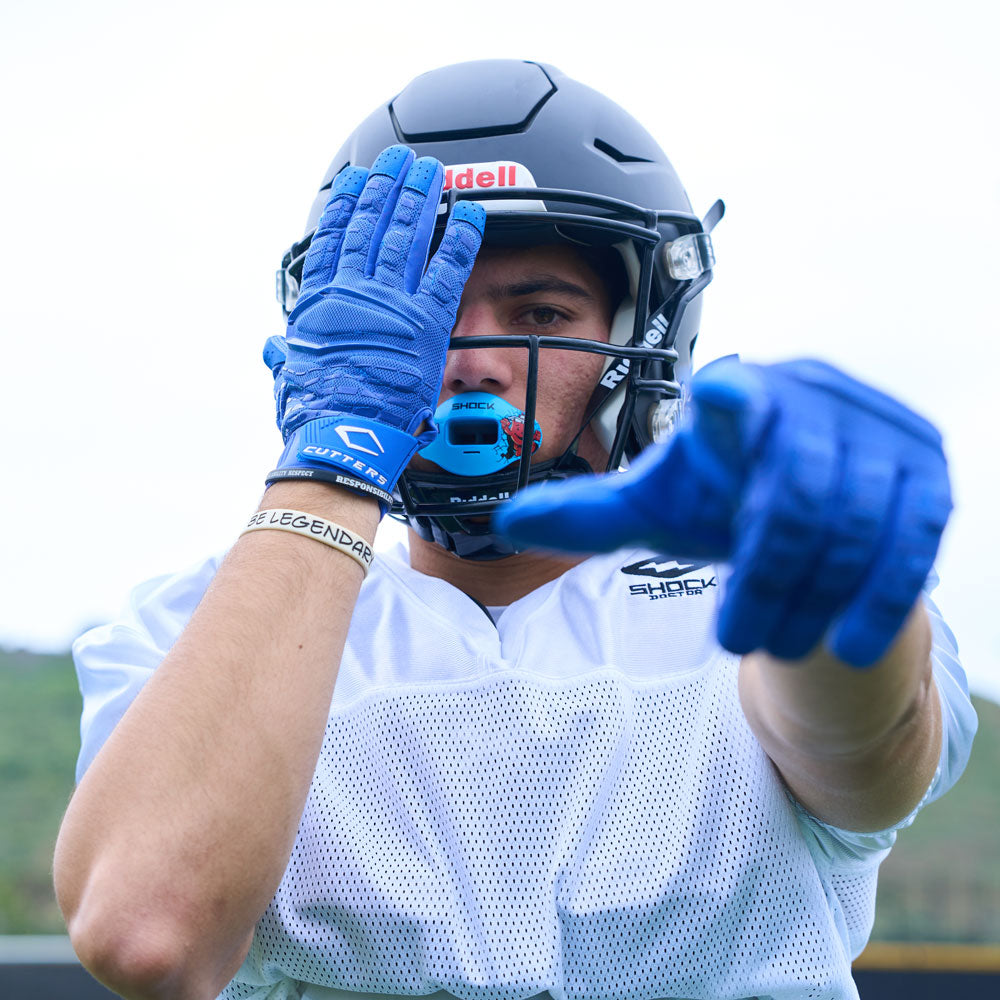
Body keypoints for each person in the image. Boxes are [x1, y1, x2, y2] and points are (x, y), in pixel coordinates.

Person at [54, 60, 977, 1000]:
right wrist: (330, 465)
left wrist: (826, 570)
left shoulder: (741, 588)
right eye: (426, 320)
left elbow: (867, 767)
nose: (477, 360)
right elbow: (148, 933)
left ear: (640, 337)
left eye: (542, 312)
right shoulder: (190, 634)